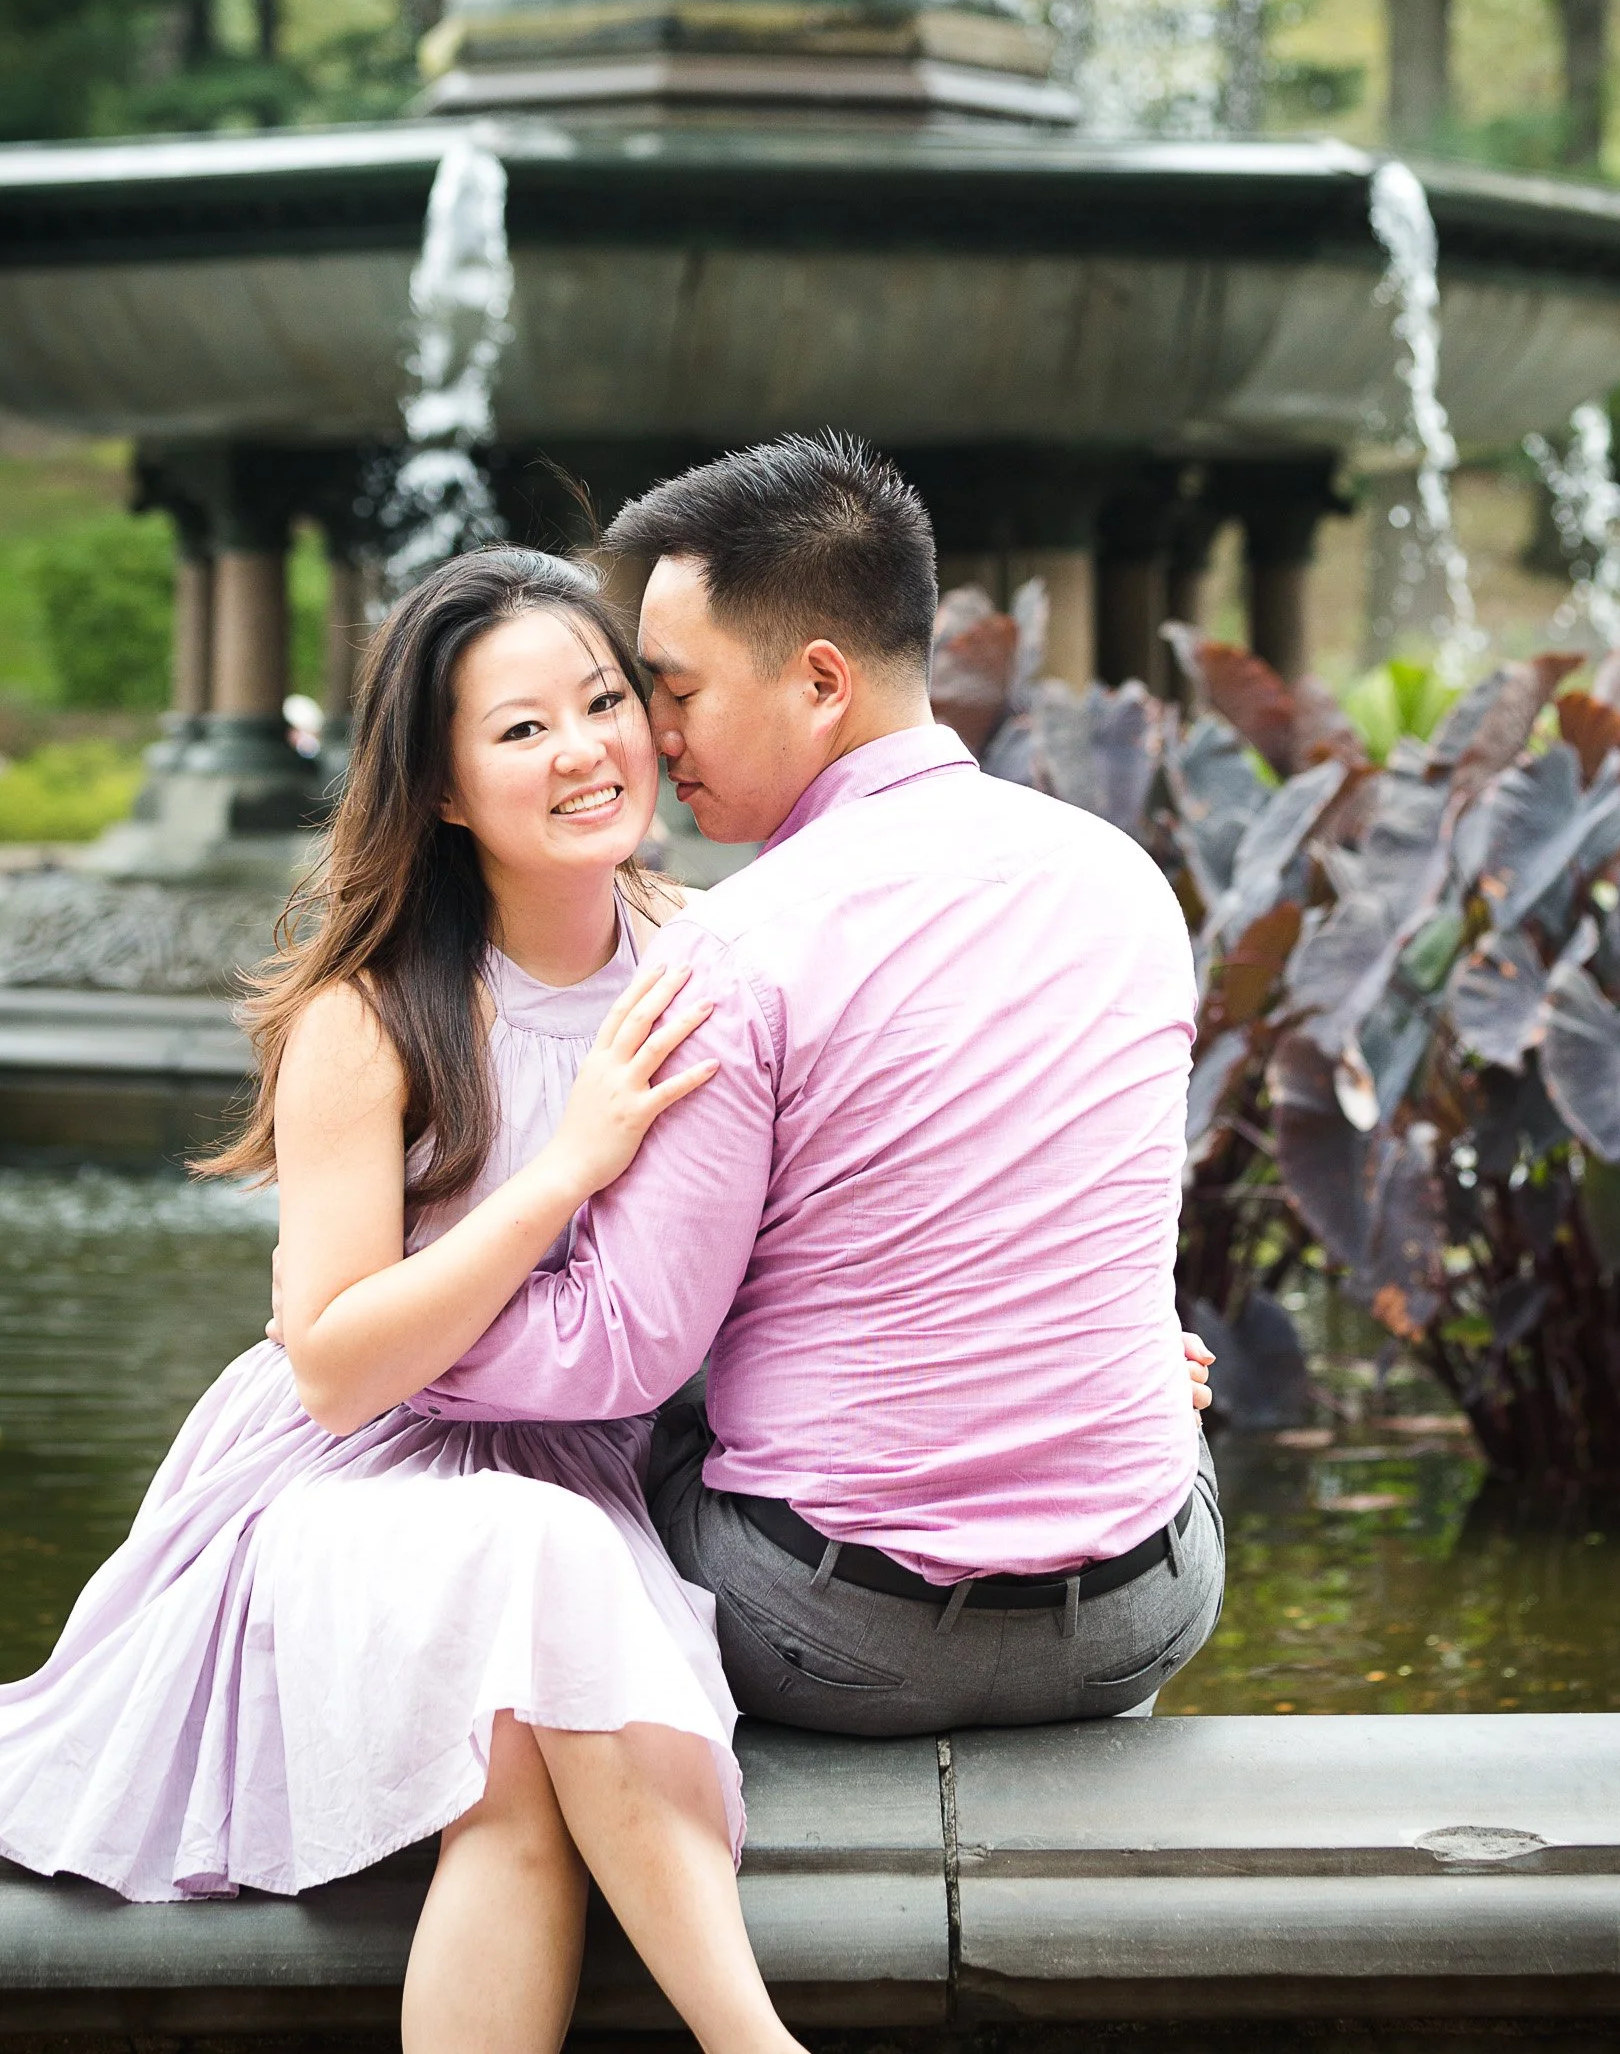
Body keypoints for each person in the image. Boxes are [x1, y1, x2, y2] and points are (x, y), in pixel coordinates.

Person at [0, 548, 807, 2054]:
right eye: (520, 730)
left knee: (507, 1789)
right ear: (440, 789)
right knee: (532, 1561)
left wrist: (1115, 1352)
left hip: (571, 1481)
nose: (584, 752)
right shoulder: (367, 1021)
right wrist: (562, 1169)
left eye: (605, 699)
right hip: (345, 1490)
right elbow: (334, 1369)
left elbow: (823, 1237)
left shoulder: (710, 964)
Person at [409, 434, 1225, 1735]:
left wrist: (390, 1331)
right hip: (1144, 1616)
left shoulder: (738, 942)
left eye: (672, 689)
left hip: (834, 1638)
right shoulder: (1125, 882)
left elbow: (622, 1346)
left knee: (613, 1438)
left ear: (821, 682)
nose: (649, 735)